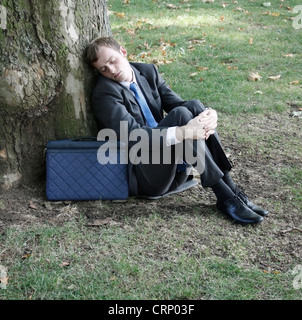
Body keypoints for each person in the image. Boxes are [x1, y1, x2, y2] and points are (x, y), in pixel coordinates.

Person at [86, 36, 268, 224]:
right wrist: (183, 132)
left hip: (174, 171)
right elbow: (134, 136)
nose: (112, 70)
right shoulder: (104, 93)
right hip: (145, 176)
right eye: (103, 69)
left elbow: (182, 105)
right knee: (181, 115)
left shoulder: (147, 71)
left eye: (112, 61)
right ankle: (225, 196)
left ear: (123, 52)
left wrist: (210, 114)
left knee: (196, 106)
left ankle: (233, 192)